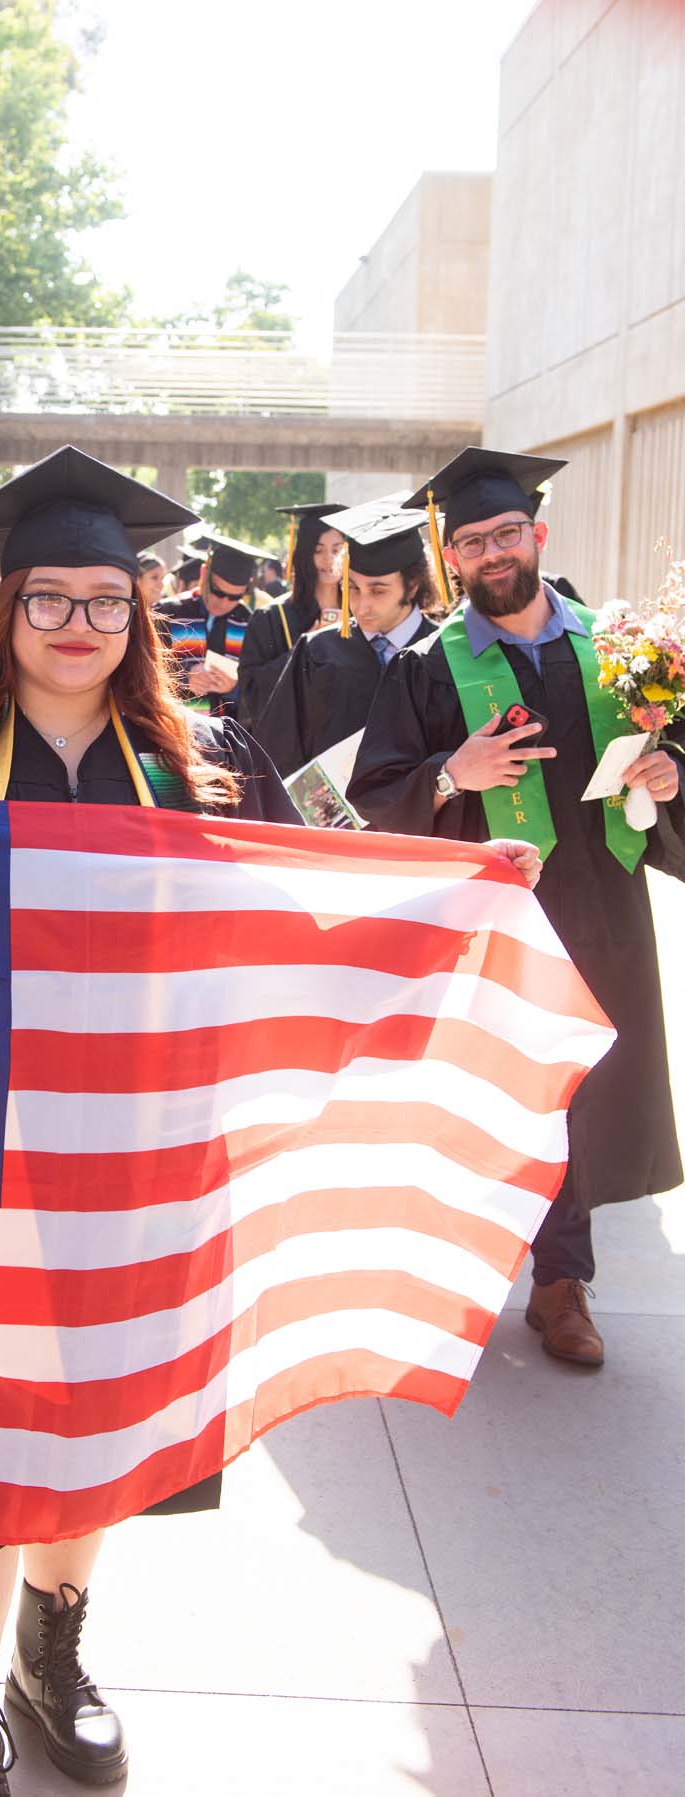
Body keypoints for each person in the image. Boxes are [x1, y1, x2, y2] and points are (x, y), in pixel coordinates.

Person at [0, 445, 307, 1797]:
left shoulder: (199, 758)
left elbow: (303, 915)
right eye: (50, 598)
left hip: (139, 1147)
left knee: (101, 1402)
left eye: (105, 597)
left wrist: (458, 862)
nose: (79, 624)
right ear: (0, 604)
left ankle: (53, 1652)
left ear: (137, 612)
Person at [348, 447, 685, 1368]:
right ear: (449, 558)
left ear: (537, 536)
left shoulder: (618, 653)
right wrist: (452, 774)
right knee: (495, 1095)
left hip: (603, 909)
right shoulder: (426, 668)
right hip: (493, 914)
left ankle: (559, 1282)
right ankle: (498, 1263)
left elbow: (672, 771)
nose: (492, 552)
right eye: (471, 542)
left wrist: (668, 772)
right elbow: (373, 794)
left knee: (577, 1092)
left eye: (506, 534)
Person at [255, 503, 438, 776]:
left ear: (412, 585)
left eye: (378, 591)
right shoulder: (318, 651)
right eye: (352, 588)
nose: (361, 606)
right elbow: (278, 751)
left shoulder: (444, 652)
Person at [237, 502, 347, 733]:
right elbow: (251, 689)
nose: (329, 560)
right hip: (292, 745)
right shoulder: (272, 617)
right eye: (318, 550)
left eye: (337, 550)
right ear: (305, 554)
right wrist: (305, 649)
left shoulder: (361, 613)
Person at [154, 532, 268, 717]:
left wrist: (234, 687)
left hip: (225, 735)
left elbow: (258, 688)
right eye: (217, 591)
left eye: (234, 597)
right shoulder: (166, 613)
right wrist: (184, 676)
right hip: (173, 727)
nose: (223, 603)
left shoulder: (249, 622)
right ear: (203, 574)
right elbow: (143, 669)